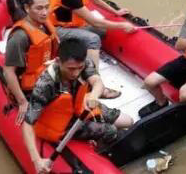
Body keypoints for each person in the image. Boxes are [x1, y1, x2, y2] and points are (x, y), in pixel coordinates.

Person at [22, 37, 133, 174]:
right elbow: (27, 124)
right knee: (111, 131)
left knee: (128, 121)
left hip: (80, 106)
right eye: (71, 69)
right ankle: (101, 153)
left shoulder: (84, 63)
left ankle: (97, 138)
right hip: (60, 123)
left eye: (79, 68)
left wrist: (93, 95)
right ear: (58, 61)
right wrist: (36, 160)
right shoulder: (45, 85)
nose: (75, 73)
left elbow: (97, 82)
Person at [49, 0, 137, 99]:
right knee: (93, 38)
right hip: (57, 30)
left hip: (71, 26)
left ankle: (87, 62)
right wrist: (122, 25)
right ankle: (95, 85)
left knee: (101, 32)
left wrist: (115, 12)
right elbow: (94, 22)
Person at [3, 0, 58, 126]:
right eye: (39, 8)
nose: (45, 12)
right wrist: (22, 101)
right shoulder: (19, 37)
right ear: (27, 8)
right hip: (29, 88)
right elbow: (8, 71)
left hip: (47, 75)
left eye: (47, 7)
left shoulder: (43, 24)